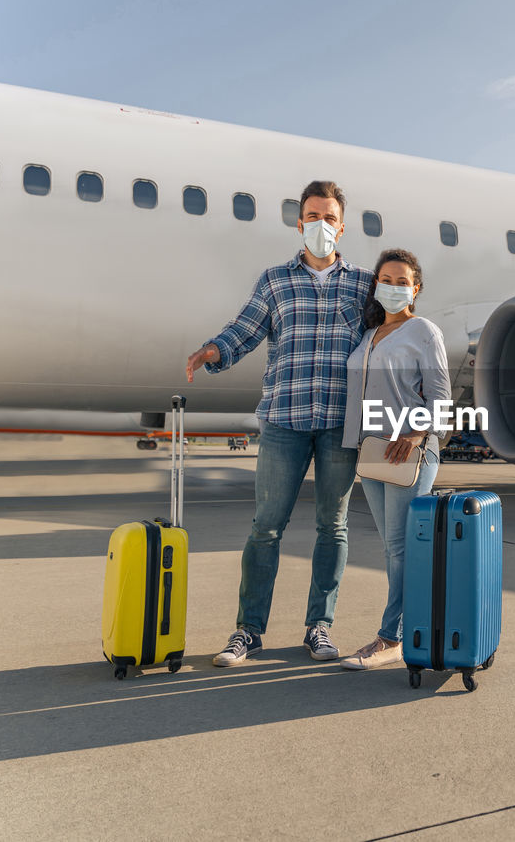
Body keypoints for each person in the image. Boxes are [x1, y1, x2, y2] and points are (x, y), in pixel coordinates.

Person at [185, 180, 373, 666]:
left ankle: (320, 627)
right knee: (266, 527)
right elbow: (245, 328)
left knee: (333, 528)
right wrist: (214, 350)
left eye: (330, 217)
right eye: (313, 216)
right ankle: (248, 631)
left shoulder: (362, 284)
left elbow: (389, 338)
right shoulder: (274, 280)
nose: (321, 225)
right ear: (299, 223)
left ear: (342, 226)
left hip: (339, 424)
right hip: (284, 421)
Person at [339, 248, 450, 670]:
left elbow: (441, 397)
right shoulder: (368, 337)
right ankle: (407, 632)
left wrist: (417, 431)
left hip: (410, 451)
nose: (394, 286)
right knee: (393, 549)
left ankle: (391, 639)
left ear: (415, 289)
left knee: (404, 549)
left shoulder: (424, 331)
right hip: (372, 453)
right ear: (375, 286)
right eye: (386, 279)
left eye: (403, 281)